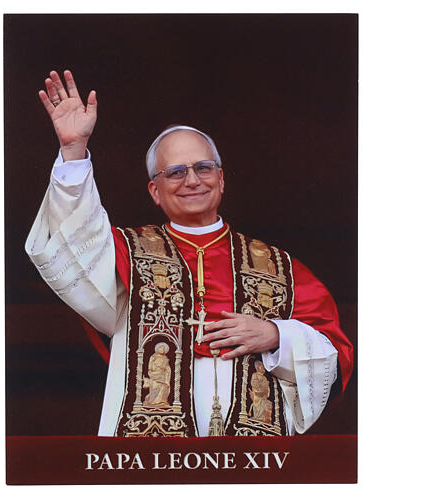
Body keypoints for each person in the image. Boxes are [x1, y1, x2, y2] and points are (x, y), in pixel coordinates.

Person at [26, 70, 354, 437]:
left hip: (254, 456)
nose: (193, 180)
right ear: (155, 191)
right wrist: (73, 152)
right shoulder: (124, 254)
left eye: (203, 168)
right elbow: (75, 240)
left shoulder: (280, 268)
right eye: (176, 172)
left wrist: (276, 335)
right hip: (149, 453)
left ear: (221, 179)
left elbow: (336, 355)